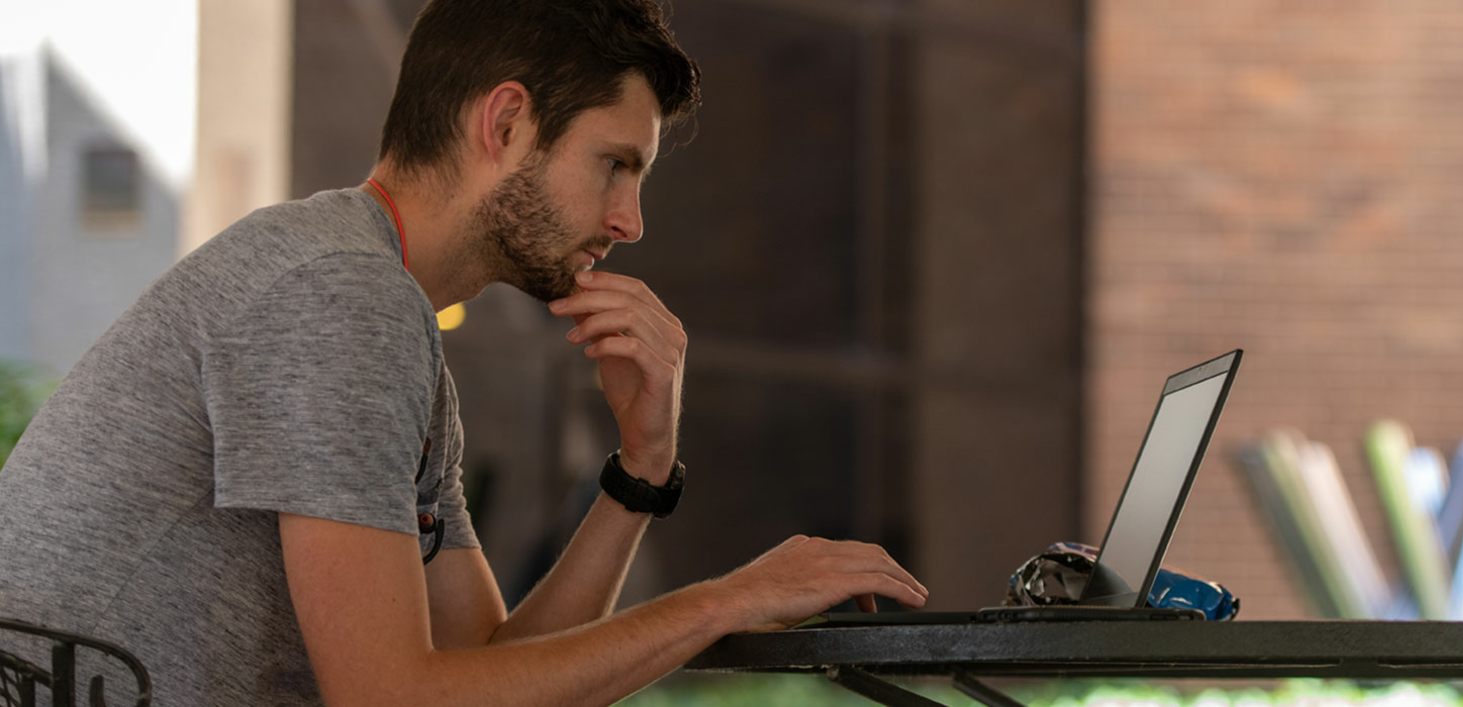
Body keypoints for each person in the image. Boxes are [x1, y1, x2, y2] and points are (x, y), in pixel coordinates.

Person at [0, 1, 928, 704]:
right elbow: (393, 696)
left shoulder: (382, 311)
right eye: (615, 164)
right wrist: (725, 600)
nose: (630, 222)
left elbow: (491, 668)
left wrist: (639, 473)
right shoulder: (339, 294)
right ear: (507, 123)